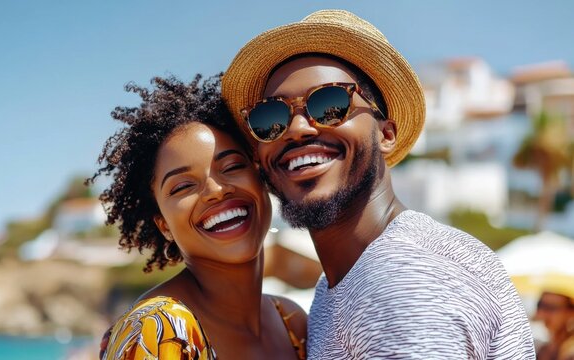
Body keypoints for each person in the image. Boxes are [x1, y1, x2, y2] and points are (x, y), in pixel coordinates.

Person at [222, 9, 535, 359]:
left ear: (385, 134)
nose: (298, 129)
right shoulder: (345, 279)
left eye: (329, 103)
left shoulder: (400, 281)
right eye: (271, 118)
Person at [89, 74, 306, 359]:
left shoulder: (291, 321)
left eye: (231, 166)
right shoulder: (157, 330)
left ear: (260, 177)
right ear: (164, 225)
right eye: (183, 186)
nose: (215, 191)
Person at [535, 280, 574, 360]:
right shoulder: (543, 349)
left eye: (551, 307)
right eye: (541, 305)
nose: (543, 313)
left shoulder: (570, 351)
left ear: (570, 312)